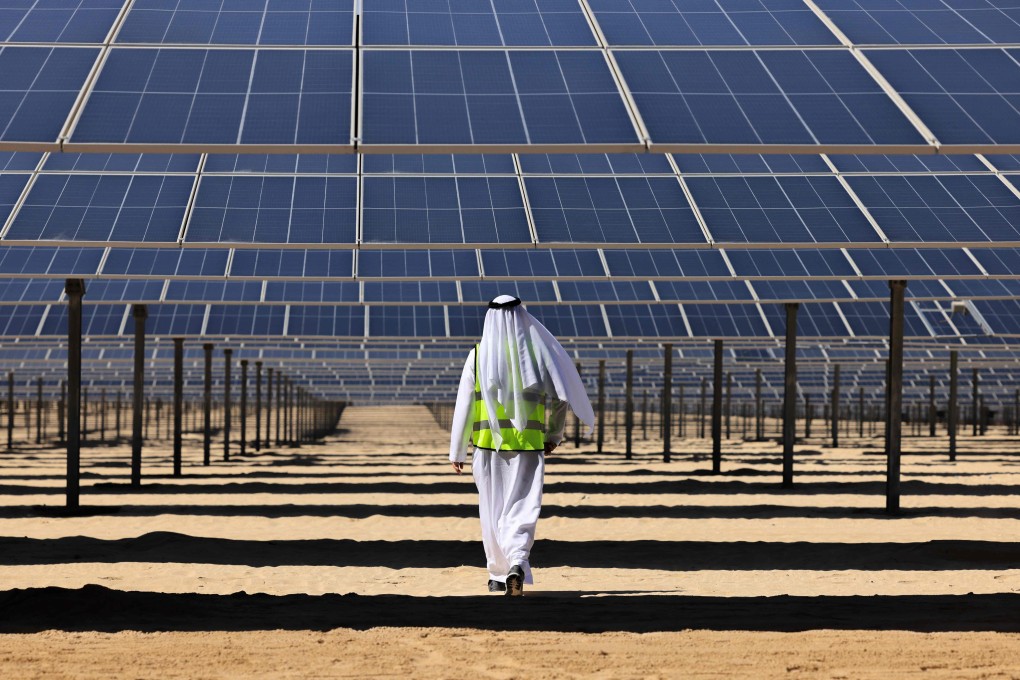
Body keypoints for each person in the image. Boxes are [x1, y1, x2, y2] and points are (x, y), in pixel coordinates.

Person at [449, 295, 594, 597]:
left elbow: (463, 405)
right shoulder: (538, 356)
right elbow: (559, 398)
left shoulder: (477, 356)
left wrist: (457, 449)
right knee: (523, 507)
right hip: (529, 445)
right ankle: (518, 561)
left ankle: (497, 574)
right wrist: (553, 435)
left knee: (492, 510)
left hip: (488, 447)